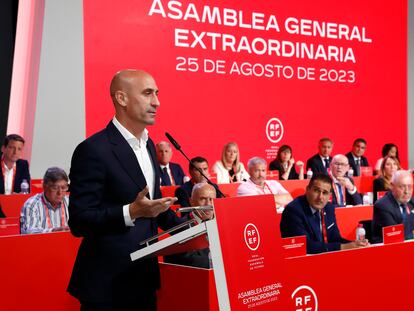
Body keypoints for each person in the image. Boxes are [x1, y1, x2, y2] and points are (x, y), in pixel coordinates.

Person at [67, 70, 184, 310]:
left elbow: (153, 206)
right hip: (107, 286)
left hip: (143, 279)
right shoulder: (93, 150)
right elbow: (79, 221)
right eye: (147, 93)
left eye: (157, 94)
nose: (157, 102)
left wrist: (195, 225)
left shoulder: (149, 145)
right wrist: (130, 212)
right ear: (121, 98)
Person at [280, 174, 369, 254]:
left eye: (325, 193)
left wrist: (355, 245)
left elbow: (335, 238)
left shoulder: (329, 208)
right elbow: (305, 246)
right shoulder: (294, 210)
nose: (320, 197)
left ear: (330, 195)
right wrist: (344, 247)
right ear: (307, 190)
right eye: (316, 190)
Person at [165, 183, 215, 269]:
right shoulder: (180, 227)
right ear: (191, 201)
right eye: (203, 199)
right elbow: (189, 262)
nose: (208, 204)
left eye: (211, 199)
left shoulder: (223, 223)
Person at [20, 167, 69, 234]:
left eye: (63, 188)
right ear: (44, 186)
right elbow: (28, 232)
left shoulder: (70, 202)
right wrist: (53, 231)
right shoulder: (32, 204)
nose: (60, 193)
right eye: (55, 188)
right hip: (40, 243)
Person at [372, 170, 414, 243]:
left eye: (410, 186)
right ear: (392, 186)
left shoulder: (411, 201)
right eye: (402, 187)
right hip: (388, 249)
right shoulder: (382, 206)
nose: (407, 191)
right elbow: (397, 235)